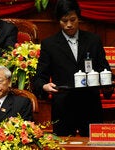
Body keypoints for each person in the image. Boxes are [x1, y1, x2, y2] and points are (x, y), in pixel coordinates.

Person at [32, 0, 111, 137]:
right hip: (63, 106)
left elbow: (104, 69)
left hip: (90, 105)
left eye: (72, 20)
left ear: (78, 17)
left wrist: (108, 86)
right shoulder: (49, 44)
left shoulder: (93, 40)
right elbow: (39, 77)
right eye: (64, 21)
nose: (69, 25)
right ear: (58, 21)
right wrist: (45, 86)